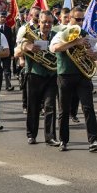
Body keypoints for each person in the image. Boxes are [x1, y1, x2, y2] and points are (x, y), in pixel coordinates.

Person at [50, 6, 97, 153]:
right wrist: (75, 43)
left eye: (82, 19)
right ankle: (63, 140)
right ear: (70, 18)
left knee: (88, 107)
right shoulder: (60, 33)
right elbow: (54, 48)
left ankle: (94, 140)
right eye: (77, 19)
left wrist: (91, 53)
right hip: (65, 74)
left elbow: (96, 54)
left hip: (83, 75)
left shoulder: (85, 34)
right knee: (64, 110)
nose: (80, 22)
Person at [19, 10, 60, 146]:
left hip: (51, 75)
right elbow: (18, 49)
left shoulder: (56, 36)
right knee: (33, 106)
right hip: (34, 75)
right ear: (39, 22)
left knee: (50, 106)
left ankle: (50, 137)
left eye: (49, 22)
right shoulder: (32, 35)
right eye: (44, 22)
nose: (47, 24)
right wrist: (28, 46)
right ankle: (31, 135)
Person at [16, 6, 41, 114]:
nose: (39, 17)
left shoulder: (42, 26)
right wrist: (21, 59)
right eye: (37, 15)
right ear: (30, 15)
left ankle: (40, 106)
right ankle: (25, 105)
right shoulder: (24, 28)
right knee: (27, 83)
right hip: (28, 58)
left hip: (40, 59)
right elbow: (19, 45)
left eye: (40, 15)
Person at [0, 11, 16, 91]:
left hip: (6, 51)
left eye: (4, 17)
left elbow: (11, 42)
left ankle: (8, 85)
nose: (3, 19)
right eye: (1, 17)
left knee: (7, 70)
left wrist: (12, 53)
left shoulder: (8, 29)